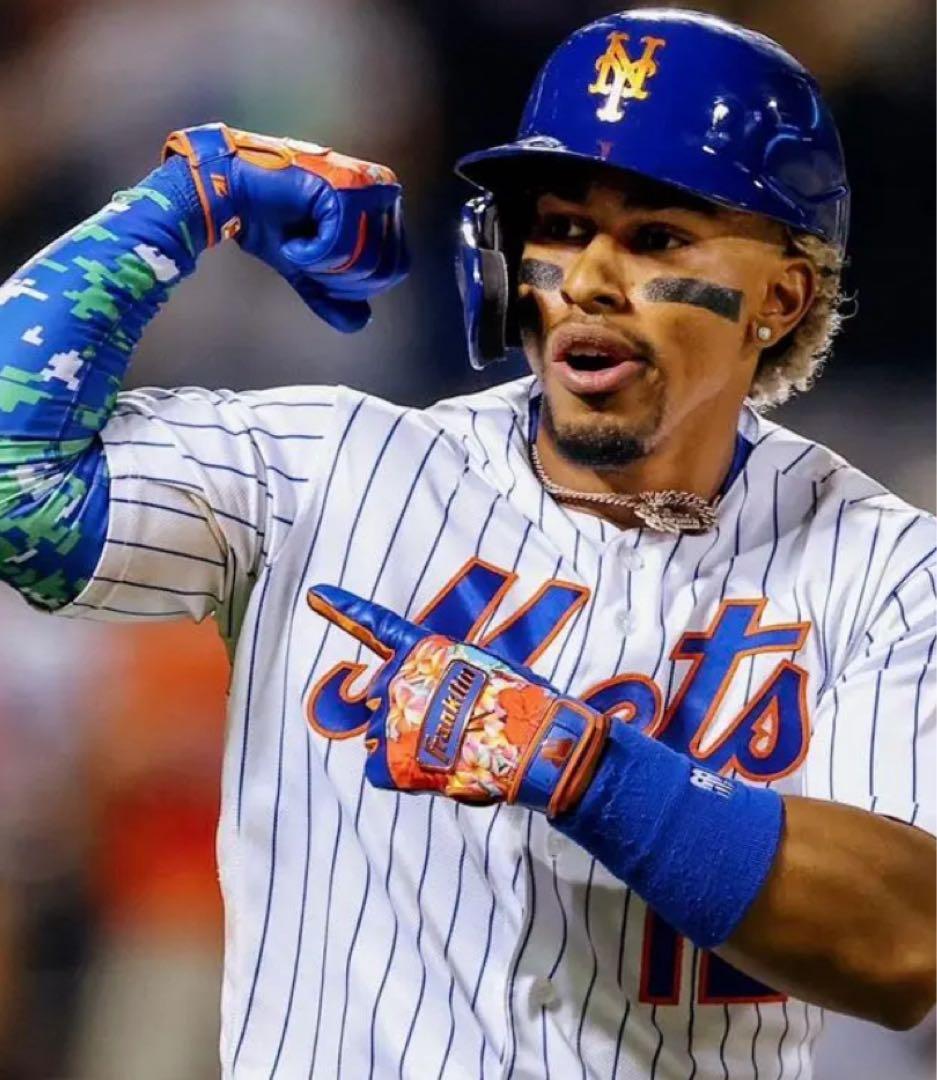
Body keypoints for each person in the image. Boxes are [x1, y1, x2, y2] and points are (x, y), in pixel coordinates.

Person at [0, 8, 933, 1078]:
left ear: (781, 295)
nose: (587, 279)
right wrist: (179, 203)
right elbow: (16, 486)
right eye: (562, 228)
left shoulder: (884, 568)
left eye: (655, 239)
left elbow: (903, 945)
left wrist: (583, 767)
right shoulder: (329, 470)